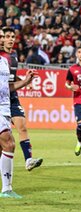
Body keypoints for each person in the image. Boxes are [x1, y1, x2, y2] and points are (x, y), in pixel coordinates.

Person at [0, 28, 38, 198]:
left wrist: (26, 81)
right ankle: (7, 189)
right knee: (9, 143)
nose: (5, 39)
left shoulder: (6, 60)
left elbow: (8, 86)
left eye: (7, 37)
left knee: (5, 146)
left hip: (6, 104)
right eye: (2, 36)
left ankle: (7, 188)